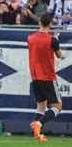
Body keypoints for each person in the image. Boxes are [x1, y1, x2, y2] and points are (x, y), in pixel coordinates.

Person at [28, 14, 63, 142]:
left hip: (35, 77)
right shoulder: (52, 40)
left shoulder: (30, 38)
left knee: (41, 106)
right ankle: (39, 124)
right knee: (58, 106)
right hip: (47, 76)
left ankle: (38, 135)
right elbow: (59, 55)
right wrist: (56, 41)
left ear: (39, 23)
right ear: (50, 25)